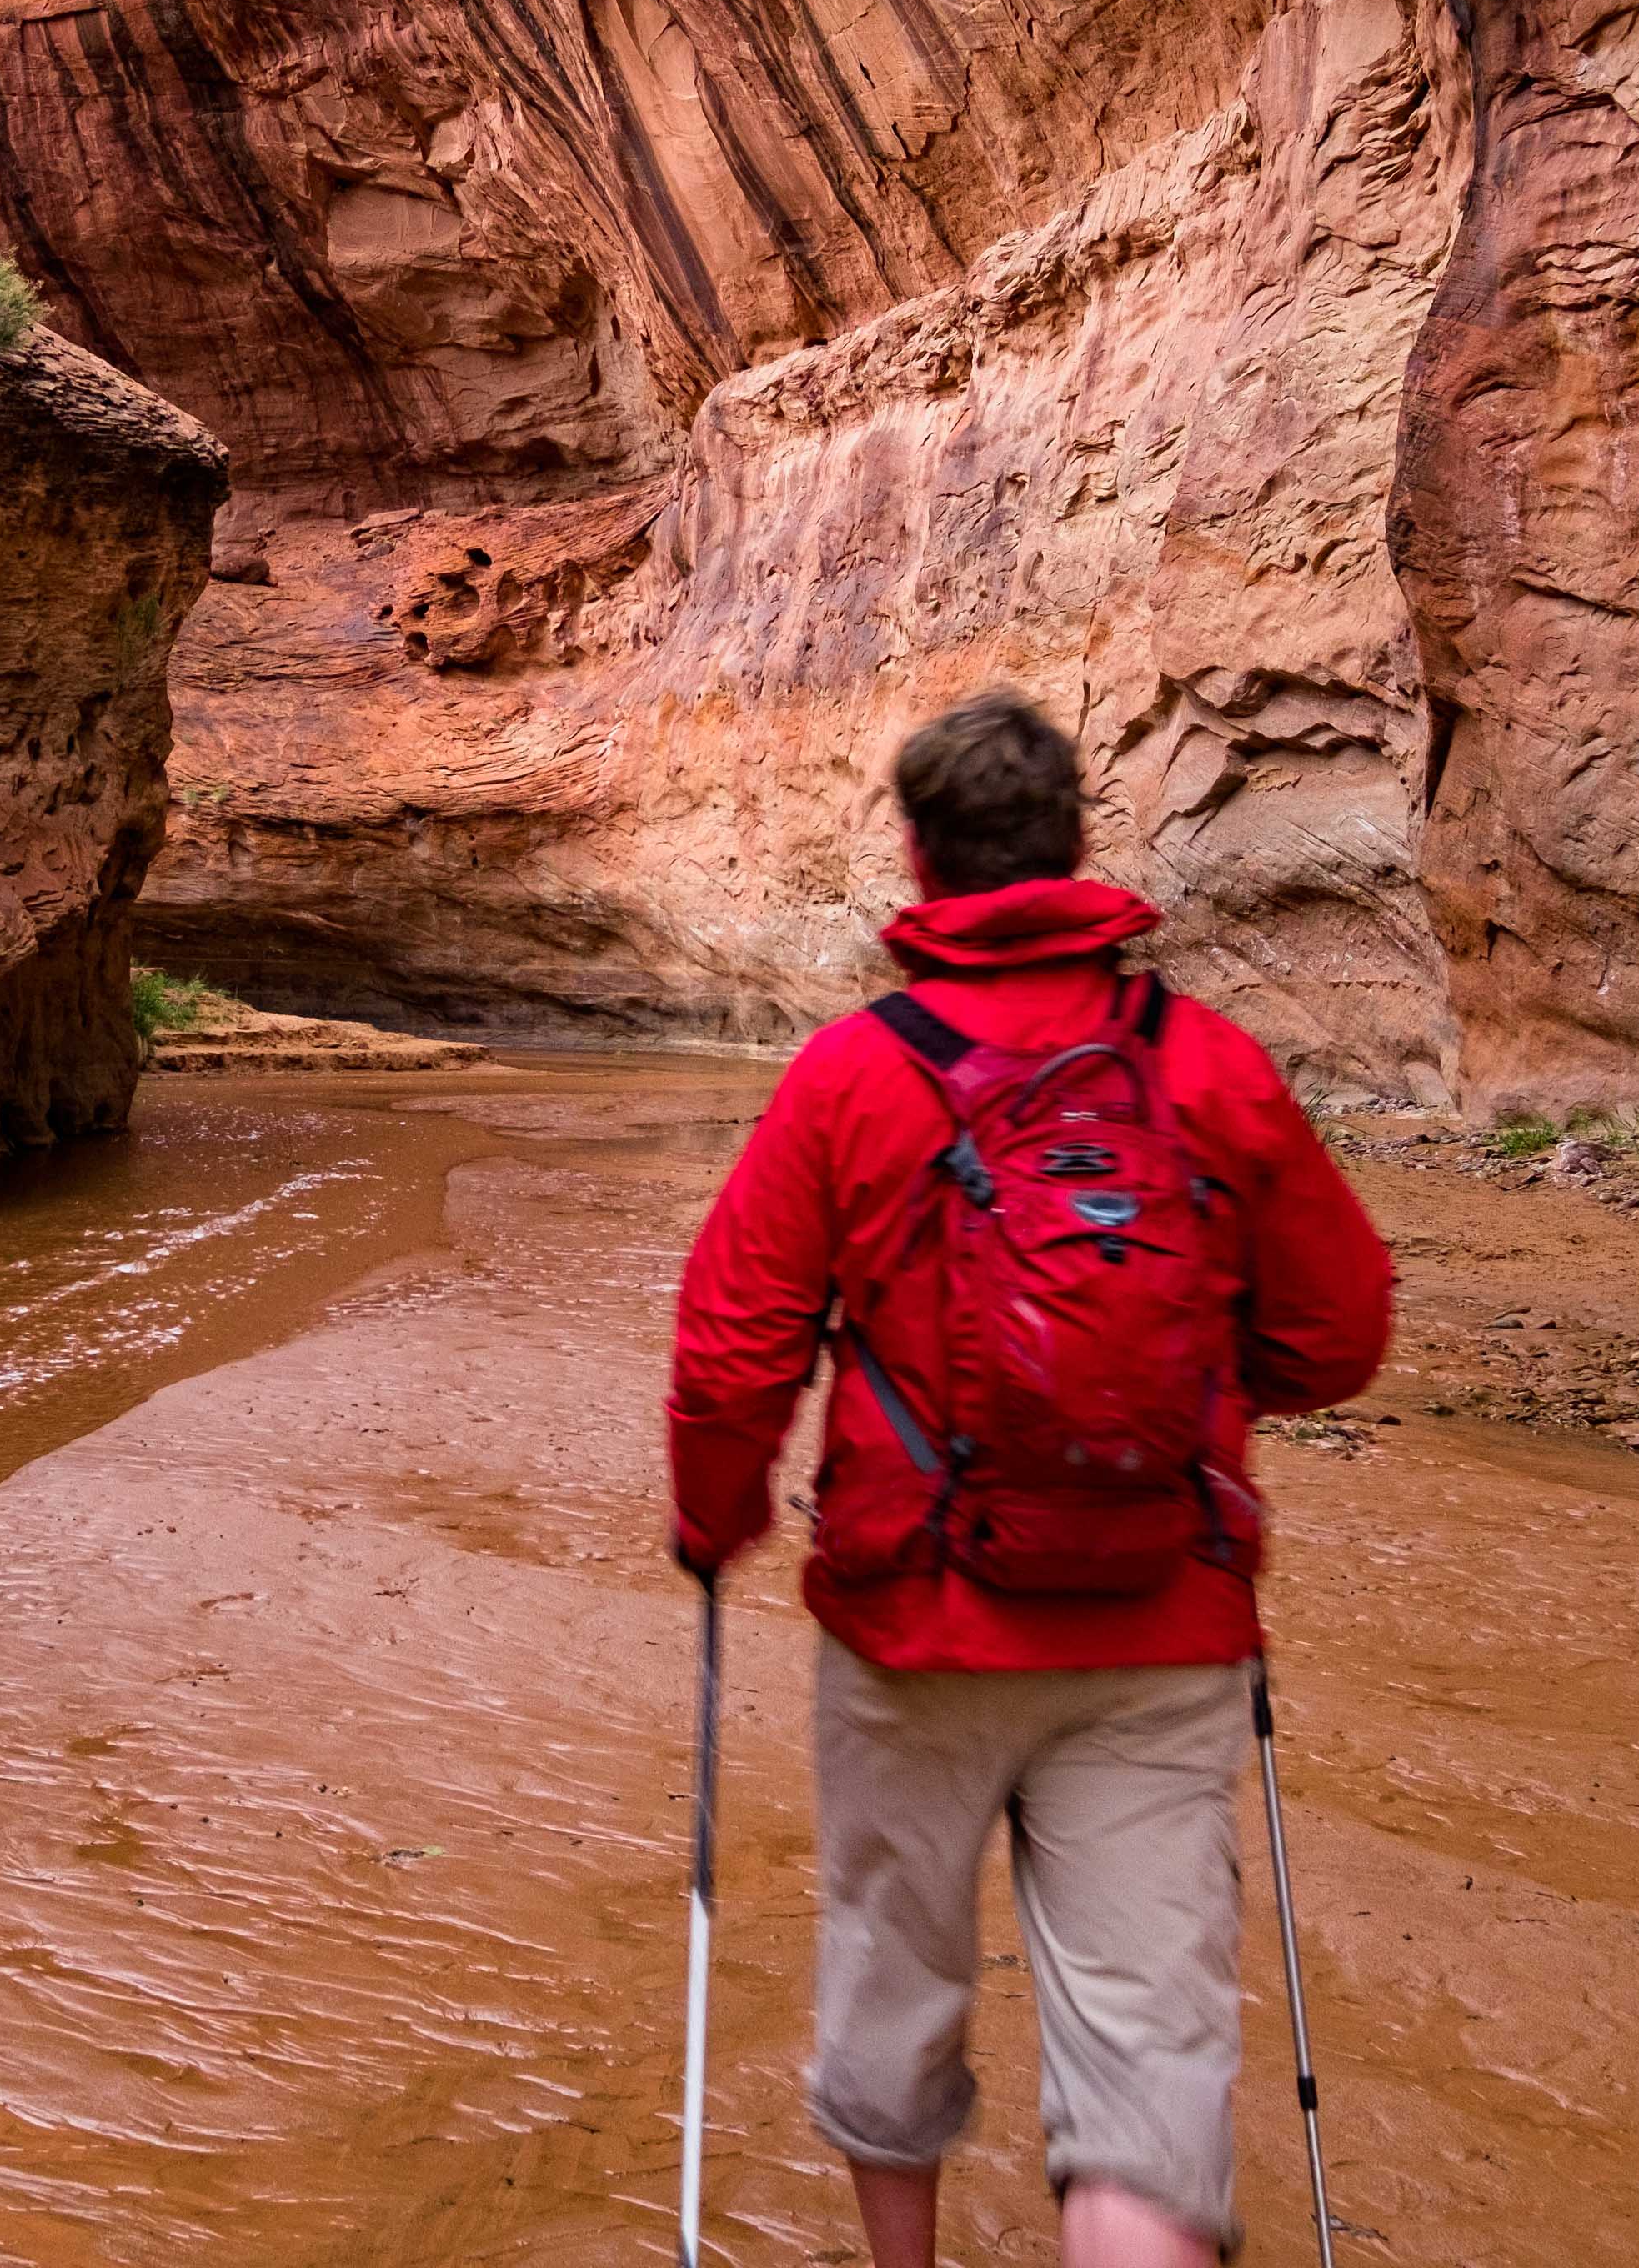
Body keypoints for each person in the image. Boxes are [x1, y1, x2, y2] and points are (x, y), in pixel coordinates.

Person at [665, 691, 1392, 2266]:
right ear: (1077, 849)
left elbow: (736, 1341)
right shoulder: (1203, 1066)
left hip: (910, 1625)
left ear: (920, 859)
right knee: (1144, 2062)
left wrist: (711, 1517)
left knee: (894, 1975)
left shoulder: (853, 1078)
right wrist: (1189, 1393)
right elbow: (1340, 1335)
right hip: (1161, 1622)